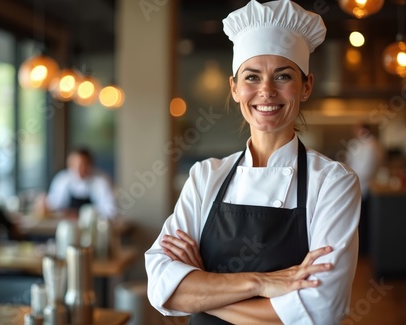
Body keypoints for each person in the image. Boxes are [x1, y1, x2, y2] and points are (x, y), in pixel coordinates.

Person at [145, 1, 361, 324]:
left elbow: (320, 310)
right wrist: (260, 282)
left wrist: (201, 290)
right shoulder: (205, 177)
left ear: (306, 87)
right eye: (252, 77)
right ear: (234, 88)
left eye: (283, 76)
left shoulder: (333, 183)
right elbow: (160, 284)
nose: (266, 91)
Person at [45, 147, 117, 219]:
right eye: (76, 165)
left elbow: (111, 210)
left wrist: (82, 214)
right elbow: (54, 205)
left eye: (84, 165)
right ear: (69, 164)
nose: (80, 169)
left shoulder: (101, 180)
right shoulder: (62, 179)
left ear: (91, 164)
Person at [346, 122, 384, 255]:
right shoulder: (359, 144)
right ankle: (361, 248)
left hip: (365, 188)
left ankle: (363, 250)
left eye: (356, 129)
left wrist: (350, 177)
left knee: (363, 220)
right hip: (358, 186)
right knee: (360, 219)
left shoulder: (371, 146)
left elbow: (366, 170)